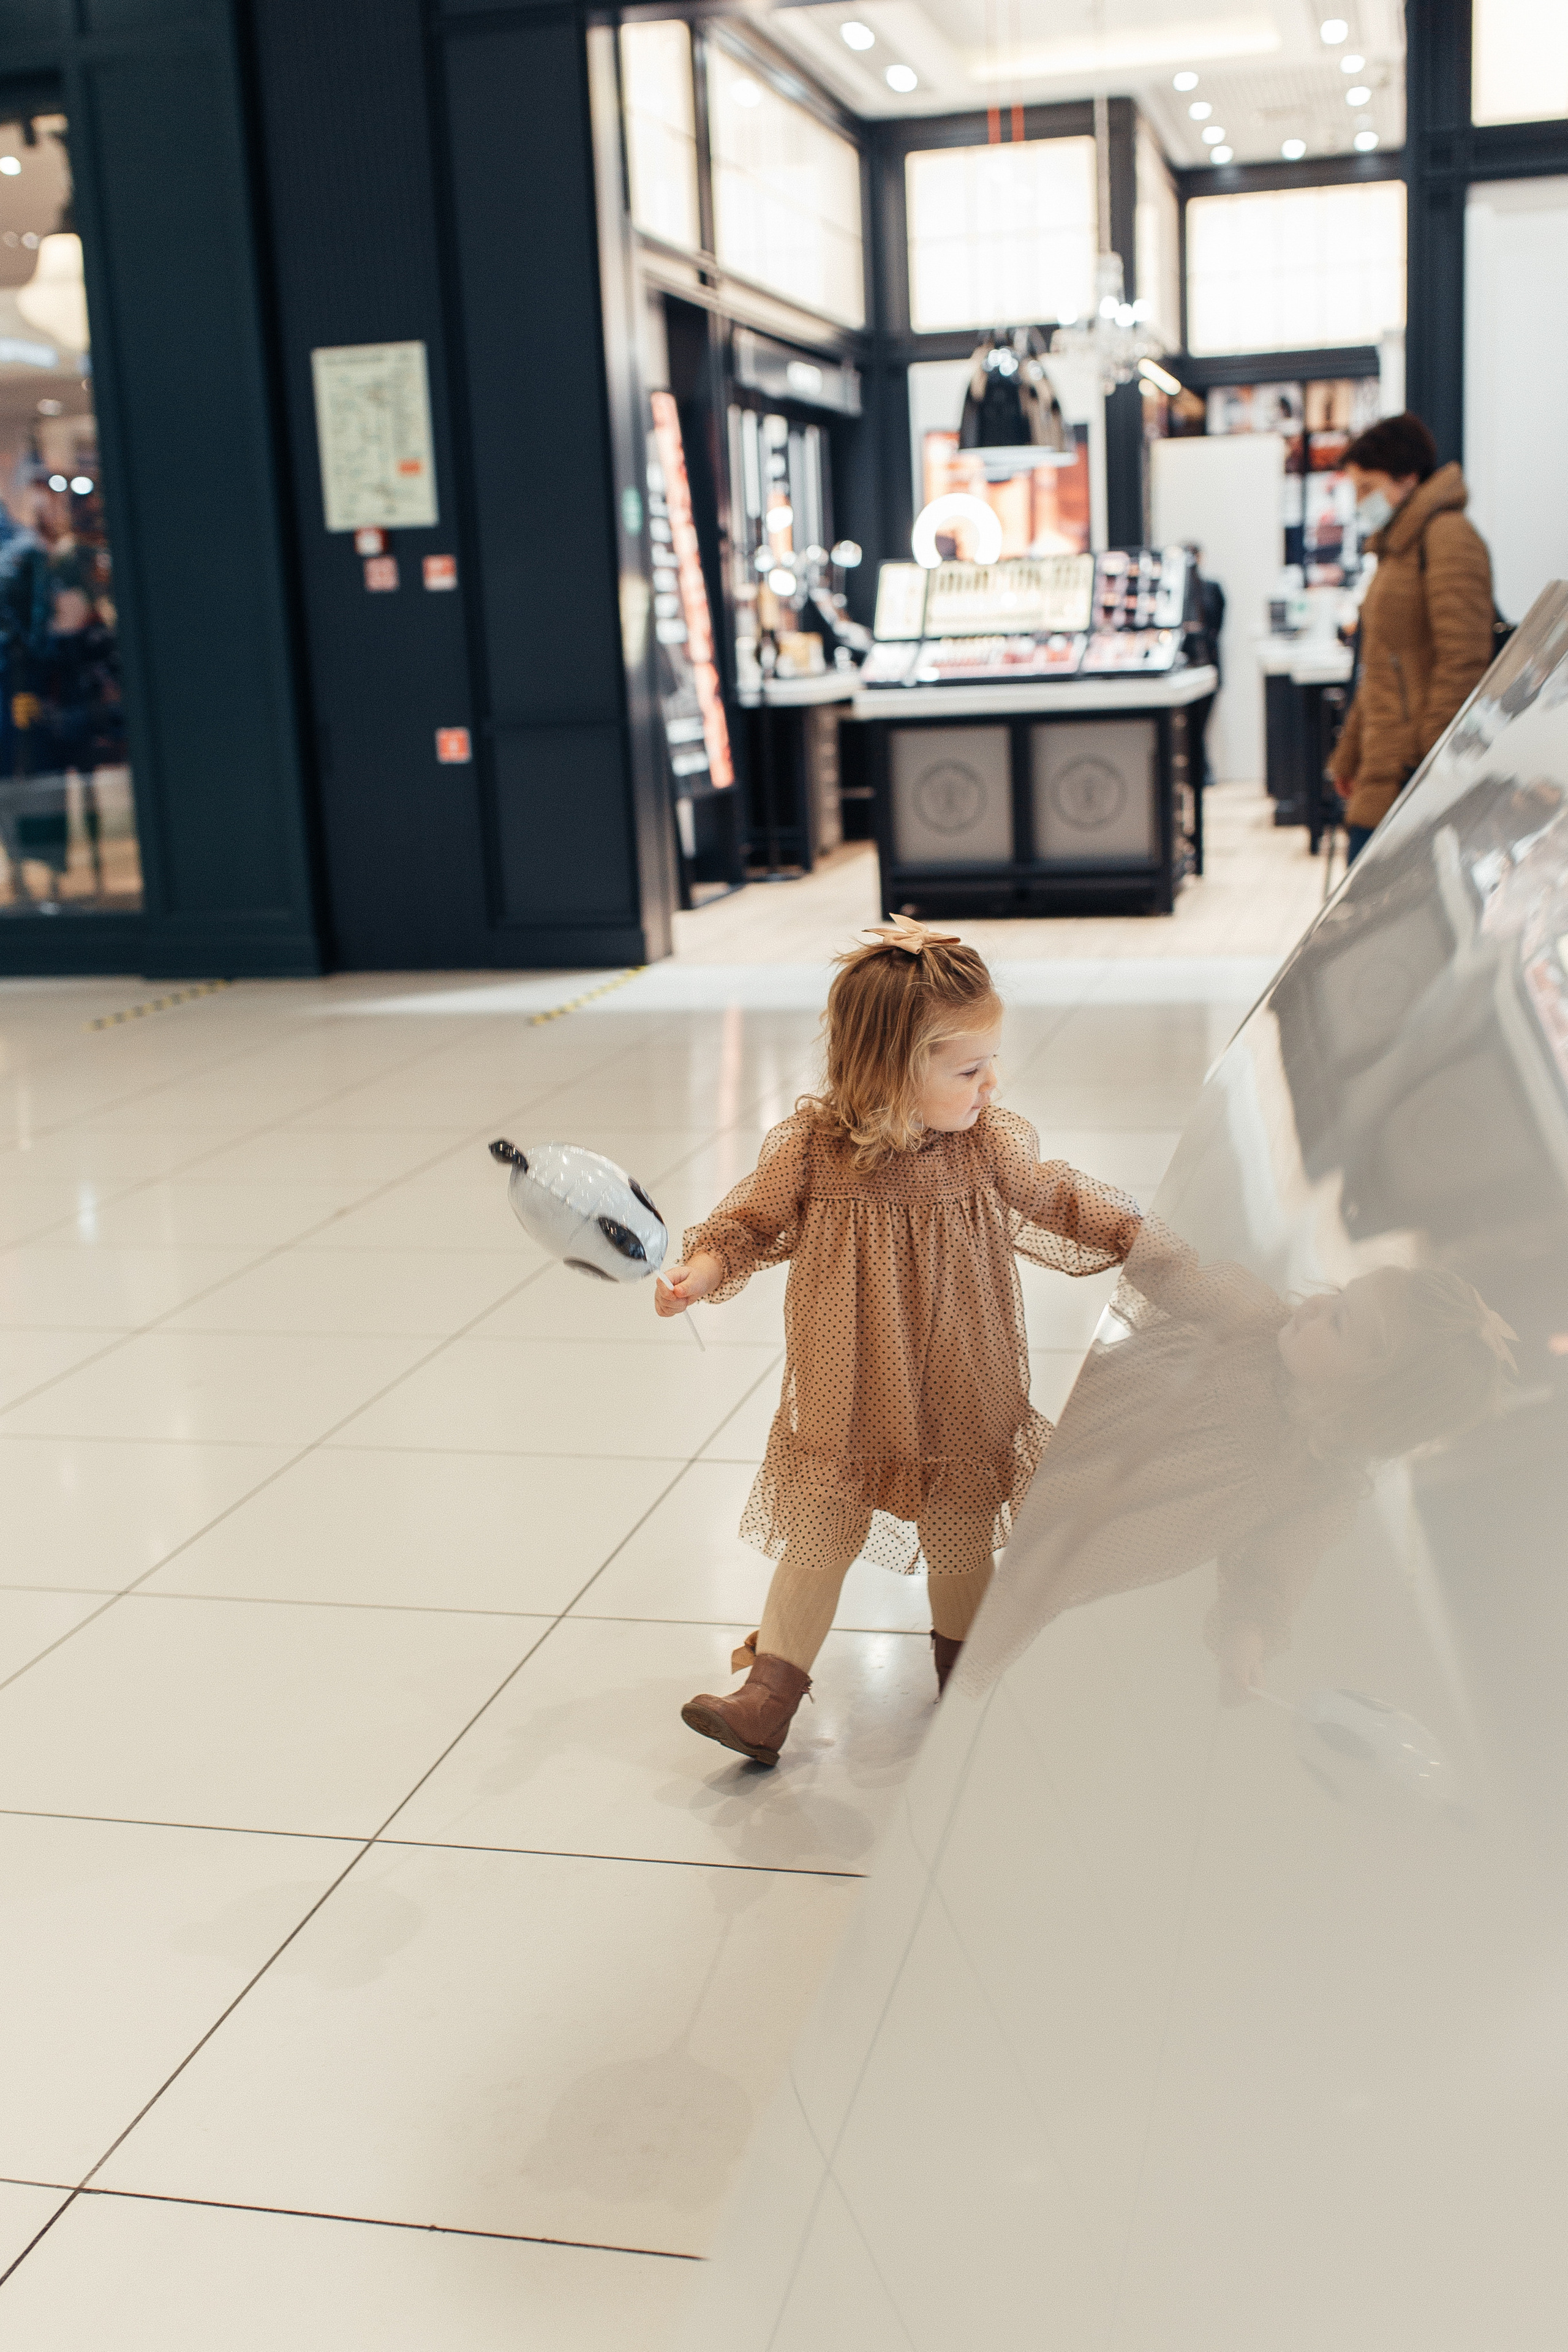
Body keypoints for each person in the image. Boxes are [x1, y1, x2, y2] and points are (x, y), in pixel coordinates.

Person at [654, 915, 1144, 1766]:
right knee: (820, 1533)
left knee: (960, 1532)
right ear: (886, 1069)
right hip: (849, 1387)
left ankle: (968, 1668)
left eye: (991, 1063)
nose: (992, 1085)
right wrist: (698, 1271)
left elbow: (1054, 1196)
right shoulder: (812, 1147)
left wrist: (1137, 1234)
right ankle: (769, 1694)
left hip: (964, 1372)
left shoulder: (982, 1143)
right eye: (969, 1068)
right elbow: (748, 1222)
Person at [1329, 412, 1494, 865]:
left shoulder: (1447, 537)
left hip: (1412, 774)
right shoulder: (1396, 549)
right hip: (1383, 769)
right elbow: (1380, 665)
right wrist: (1349, 758)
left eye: (1367, 488)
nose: (1361, 502)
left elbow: (1464, 661)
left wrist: (1430, 761)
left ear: (1407, 477)